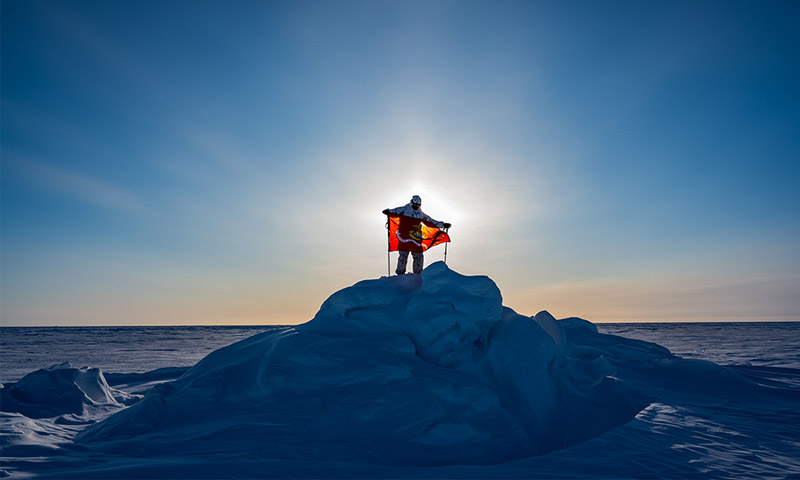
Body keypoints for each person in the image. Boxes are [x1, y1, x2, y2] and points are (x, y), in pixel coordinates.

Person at [382, 195, 451, 275]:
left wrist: (443, 224)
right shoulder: (404, 210)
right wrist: (388, 212)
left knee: (418, 255)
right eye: (415, 205)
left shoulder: (420, 214)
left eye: (418, 205)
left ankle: (418, 274)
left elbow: (431, 221)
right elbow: (394, 211)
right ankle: (400, 274)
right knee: (403, 255)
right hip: (404, 236)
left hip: (416, 237)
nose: (416, 207)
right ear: (412, 202)